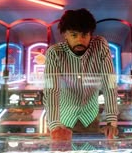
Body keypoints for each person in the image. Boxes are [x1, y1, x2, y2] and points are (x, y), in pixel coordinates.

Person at [43, 8, 118, 140]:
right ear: (65, 35)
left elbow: (109, 83)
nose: (80, 40)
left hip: (90, 118)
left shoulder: (100, 46)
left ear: (91, 34)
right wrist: (55, 125)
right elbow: (51, 90)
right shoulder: (54, 52)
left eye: (84, 35)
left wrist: (111, 122)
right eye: (74, 35)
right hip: (62, 119)